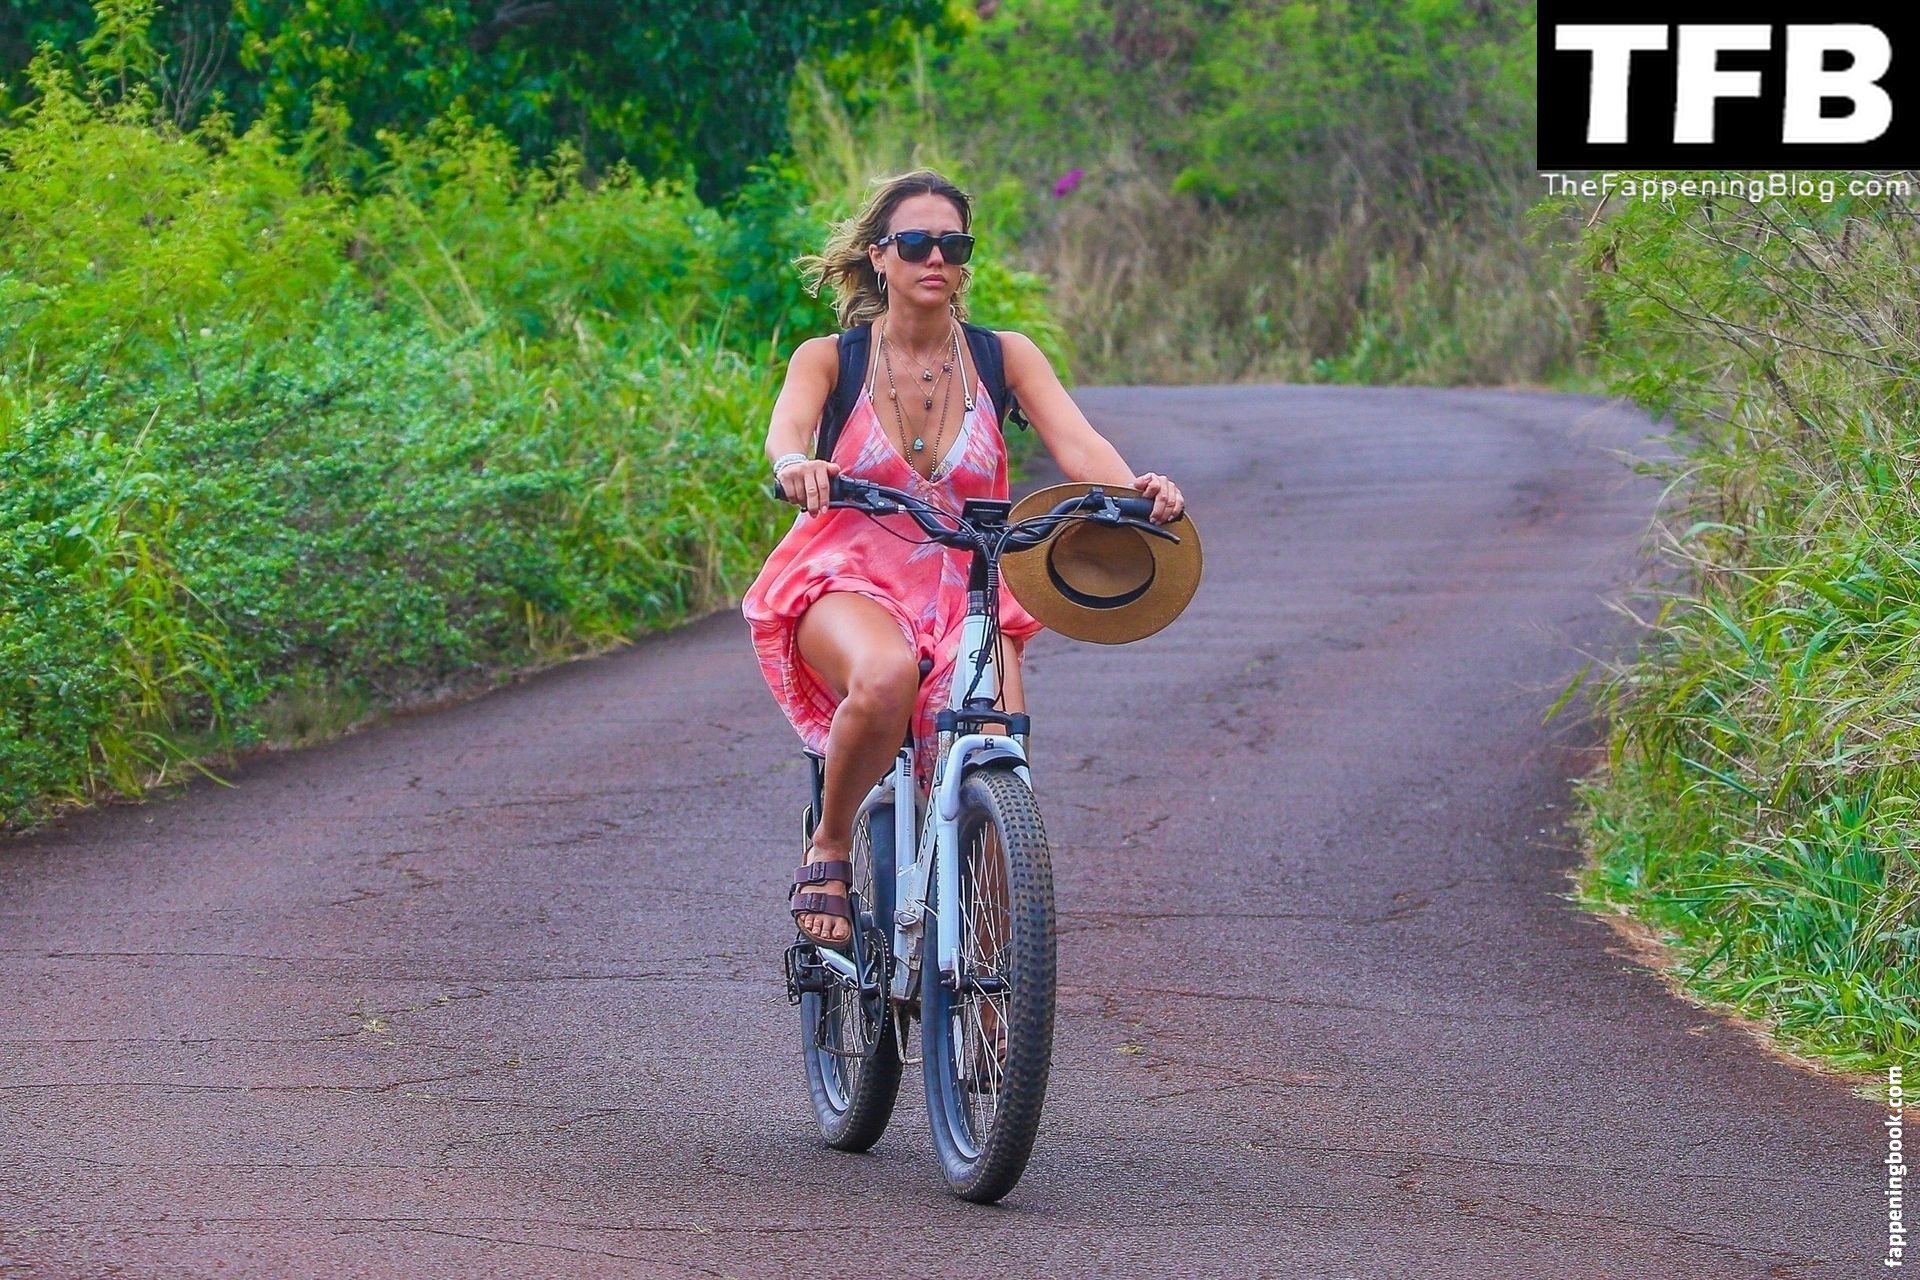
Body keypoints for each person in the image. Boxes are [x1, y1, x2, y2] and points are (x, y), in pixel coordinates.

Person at [741, 168, 1186, 949]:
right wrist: (796, 467)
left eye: (954, 245)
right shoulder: (830, 359)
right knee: (886, 677)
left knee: (998, 743)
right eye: (916, 243)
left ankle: (992, 979)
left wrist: (1136, 491)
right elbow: (787, 431)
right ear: (880, 255)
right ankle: (831, 846)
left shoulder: (1002, 357)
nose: (935, 259)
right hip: (846, 574)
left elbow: (1079, 444)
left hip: (968, 587)